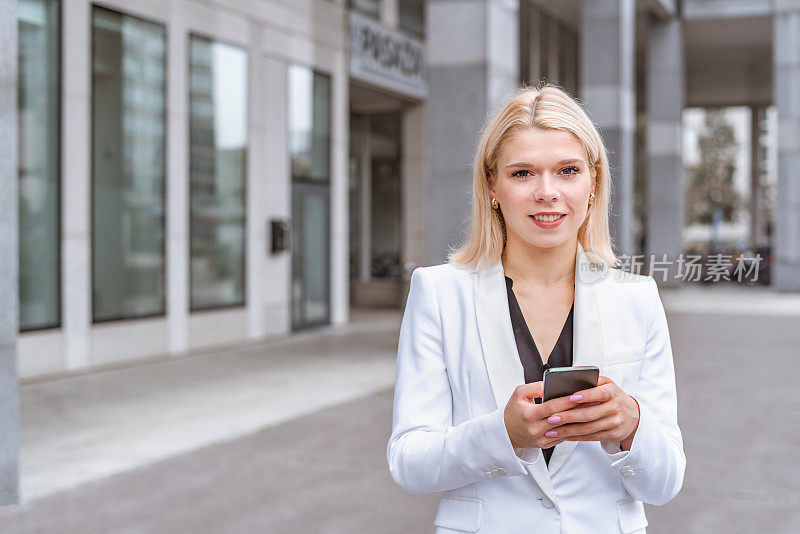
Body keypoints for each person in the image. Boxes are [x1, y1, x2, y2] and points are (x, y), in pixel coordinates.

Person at [386, 84, 685, 533]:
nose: (547, 192)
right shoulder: (439, 292)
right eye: (523, 173)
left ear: (593, 182)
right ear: (492, 185)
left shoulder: (637, 298)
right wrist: (501, 435)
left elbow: (665, 484)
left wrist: (631, 425)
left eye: (567, 170)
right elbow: (409, 463)